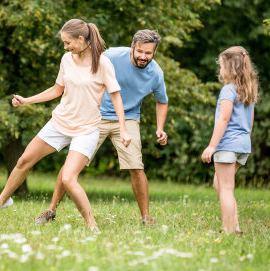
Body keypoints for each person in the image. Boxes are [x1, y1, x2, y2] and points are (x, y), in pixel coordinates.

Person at [0, 19, 131, 231]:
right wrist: (27, 100)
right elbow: (57, 90)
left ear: (81, 39)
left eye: (68, 42)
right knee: (23, 161)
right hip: (60, 122)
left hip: (86, 129)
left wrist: (124, 129)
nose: (65, 47)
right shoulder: (67, 59)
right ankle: (1, 201)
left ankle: (92, 226)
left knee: (68, 178)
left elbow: (116, 98)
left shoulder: (102, 64)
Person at [35, 29, 169, 226]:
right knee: (70, 167)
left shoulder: (156, 73)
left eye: (148, 53)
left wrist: (160, 127)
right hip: (95, 115)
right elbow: (86, 64)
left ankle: (146, 217)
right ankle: (51, 209)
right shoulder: (112, 56)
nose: (143, 56)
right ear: (132, 47)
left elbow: (162, 101)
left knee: (136, 167)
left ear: (154, 52)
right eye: (140, 51)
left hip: (128, 118)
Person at [201, 46, 258, 235]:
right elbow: (249, 124)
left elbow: (223, 120)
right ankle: (236, 227)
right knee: (219, 184)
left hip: (228, 145)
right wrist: (243, 142)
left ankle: (229, 231)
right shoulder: (248, 90)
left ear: (229, 67)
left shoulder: (228, 90)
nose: (220, 70)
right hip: (243, 145)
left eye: (221, 65)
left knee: (225, 188)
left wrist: (211, 146)